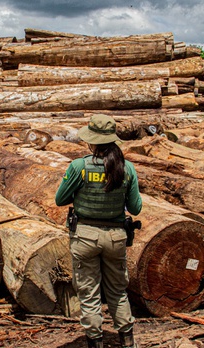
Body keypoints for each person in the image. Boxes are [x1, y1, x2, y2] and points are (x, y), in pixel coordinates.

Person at [55, 114, 143, 348]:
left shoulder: (79, 167)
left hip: (84, 237)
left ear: (91, 140)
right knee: (118, 291)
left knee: (89, 293)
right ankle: (127, 341)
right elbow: (135, 208)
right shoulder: (127, 168)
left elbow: (60, 199)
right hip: (116, 238)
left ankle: (95, 341)